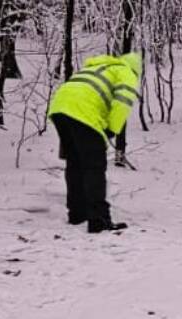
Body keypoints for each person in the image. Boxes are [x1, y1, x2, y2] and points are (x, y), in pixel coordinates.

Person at [47, 53, 142, 234]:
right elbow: (122, 102)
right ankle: (99, 220)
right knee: (94, 166)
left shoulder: (95, 67)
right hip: (83, 112)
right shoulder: (126, 72)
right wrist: (112, 129)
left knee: (75, 162)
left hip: (59, 108)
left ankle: (77, 214)